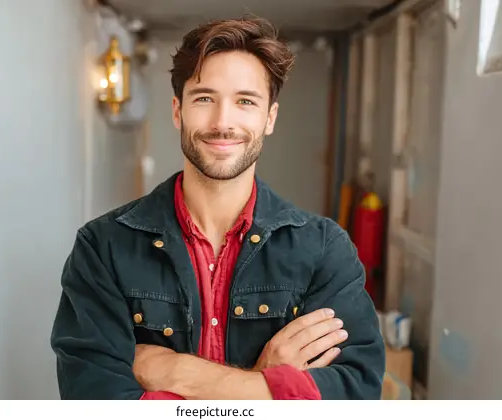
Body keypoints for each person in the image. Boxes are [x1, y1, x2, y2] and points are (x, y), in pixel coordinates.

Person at [50, 16, 385, 400]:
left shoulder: (324, 250)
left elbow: (355, 394)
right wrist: (266, 383)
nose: (223, 122)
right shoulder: (103, 248)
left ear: (269, 118)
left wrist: (178, 372)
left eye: (245, 101)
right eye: (205, 98)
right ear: (178, 111)